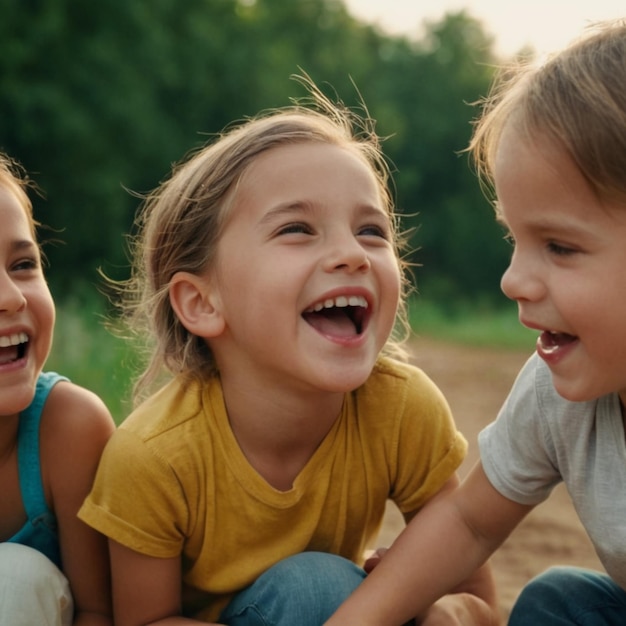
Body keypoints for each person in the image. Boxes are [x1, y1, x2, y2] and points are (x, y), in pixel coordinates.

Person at [77, 75, 497, 626]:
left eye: (372, 231)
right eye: (298, 229)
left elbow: (479, 602)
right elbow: (143, 620)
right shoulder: (152, 457)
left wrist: (433, 609)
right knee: (317, 588)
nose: (352, 254)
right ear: (202, 302)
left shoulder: (401, 409)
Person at [324, 18, 626, 626]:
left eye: (560, 247)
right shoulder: (555, 397)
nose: (513, 280)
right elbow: (468, 521)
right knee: (557, 603)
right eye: (514, 240)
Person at [0, 152, 115, 626]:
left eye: (23, 264)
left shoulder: (69, 431)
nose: (11, 297)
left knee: (16, 576)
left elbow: (100, 613)